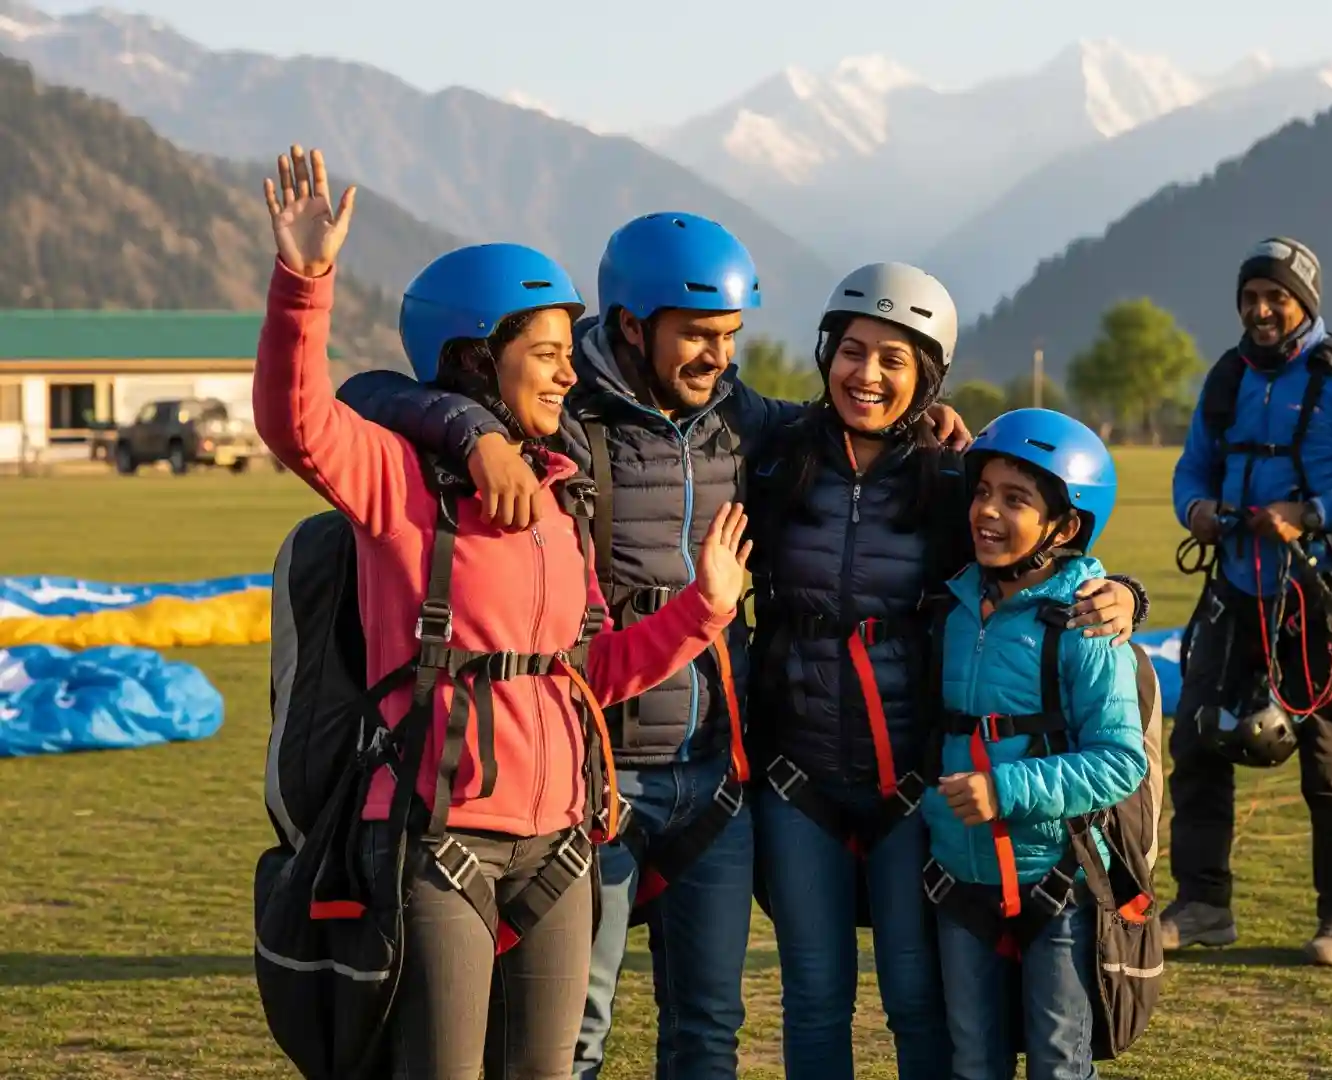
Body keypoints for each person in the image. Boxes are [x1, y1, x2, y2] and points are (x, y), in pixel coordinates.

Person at [331, 217, 972, 1080]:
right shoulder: (557, 414)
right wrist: (469, 429)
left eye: (730, 337)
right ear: (631, 325)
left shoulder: (742, 423)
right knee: (576, 1029)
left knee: (708, 1026)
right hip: (595, 774)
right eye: (698, 336)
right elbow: (370, 394)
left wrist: (931, 420)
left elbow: (848, 429)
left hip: (715, 774)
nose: (717, 357)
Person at [250, 144, 753, 1078]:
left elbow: (590, 673)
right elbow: (299, 418)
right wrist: (304, 281)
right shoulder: (396, 483)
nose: (569, 377)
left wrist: (703, 612)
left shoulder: (562, 498)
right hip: (437, 834)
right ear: (480, 356)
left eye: (571, 354)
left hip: (561, 839)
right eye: (549, 355)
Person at [745, 268, 1146, 1080]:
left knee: (918, 1000)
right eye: (853, 351)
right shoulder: (776, 454)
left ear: (926, 377)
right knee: (814, 994)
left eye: (895, 360)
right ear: (827, 353)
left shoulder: (953, 478)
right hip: (799, 776)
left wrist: (1127, 593)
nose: (868, 374)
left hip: (914, 787)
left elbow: (1044, 559)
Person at [1165, 237, 1332, 965]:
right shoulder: (1227, 378)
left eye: (1275, 297)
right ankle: (1202, 905)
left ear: (1305, 302)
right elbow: (1192, 469)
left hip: (1318, 594)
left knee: (1328, 758)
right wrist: (1197, 510)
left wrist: (1311, 514)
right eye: (1250, 297)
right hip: (1235, 586)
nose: (1260, 310)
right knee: (1196, 744)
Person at [921, 409, 1149, 1080]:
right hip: (959, 878)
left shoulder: (1086, 621)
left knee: (1058, 1061)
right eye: (983, 492)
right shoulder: (954, 607)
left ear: (1067, 526)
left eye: (1015, 500)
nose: (987, 511)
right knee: (973, 1060)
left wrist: (1004, 791)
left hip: (1056, 882)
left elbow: (1121, 761)